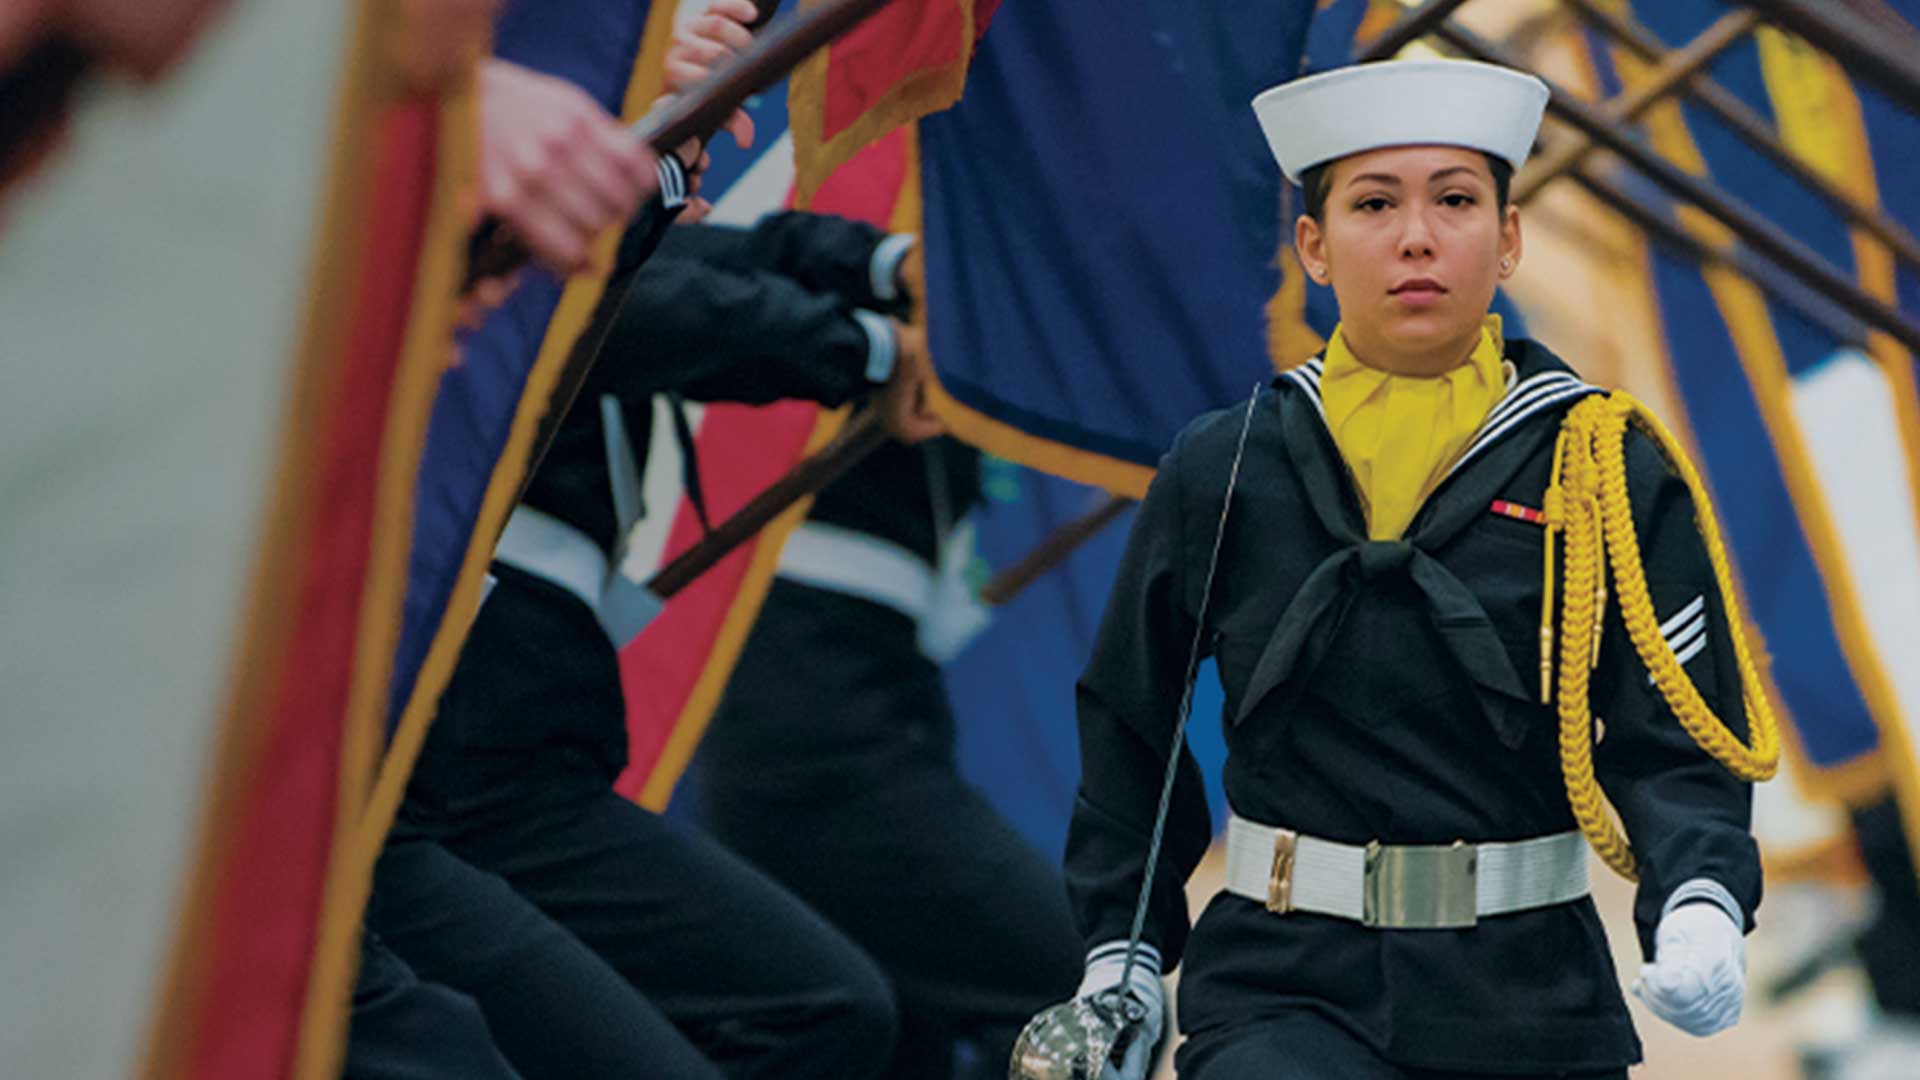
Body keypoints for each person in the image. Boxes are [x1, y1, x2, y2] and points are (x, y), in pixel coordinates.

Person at [1022, 59, 1778, 1079]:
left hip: (1532, 995)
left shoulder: (1600, 464)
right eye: (1374, 203)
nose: (1417, 236)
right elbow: (1131, 717)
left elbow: (1677, 730)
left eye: (1456, 200)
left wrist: (1700, 900)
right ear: (1315, 247)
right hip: (1280, 987)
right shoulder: (1225, 462)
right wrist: (1123, 951)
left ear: (1509, 239)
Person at [686, 216, 1083, 1077]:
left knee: (897, 1043)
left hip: (879, 695)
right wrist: (872, 341)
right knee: (1088, 1000)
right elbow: (717, 275)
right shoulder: (866, 187)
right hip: (811, 721)